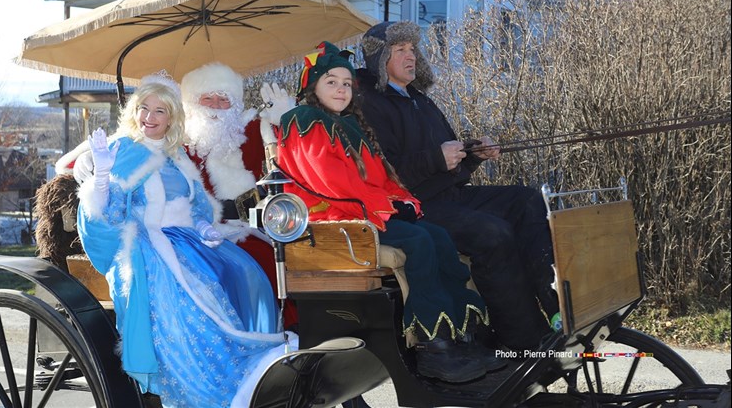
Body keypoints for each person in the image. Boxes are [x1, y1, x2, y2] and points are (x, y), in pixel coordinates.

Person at [275, 42, 505, 384]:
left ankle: (462, 333)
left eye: (346, 83)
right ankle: (432, 345)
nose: (341, 89)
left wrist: (403, 199)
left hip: (364, 214)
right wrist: (384, 207)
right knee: (418, 241)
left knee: (438, 237)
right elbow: (329, 181)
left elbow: (383, 177)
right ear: (312, 87)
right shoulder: (304, 120)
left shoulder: (350, 124)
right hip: (337, 220)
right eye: (331, 82)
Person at [76, 71, 292, 408]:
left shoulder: (177, 156)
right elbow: (109, 215)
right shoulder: (122, 149)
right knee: (187, 300)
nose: (149, 117)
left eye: (159, 110)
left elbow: (196, 206)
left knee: (245, 272)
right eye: (144, 108)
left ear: (172, 118)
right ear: (133, 111)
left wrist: (204, 227)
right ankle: (208, 386)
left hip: (186, 239)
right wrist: (102, 175)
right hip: (149, 244)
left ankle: (254, 365)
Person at [356, 20, 560, 351]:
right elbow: (384, 173)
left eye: (412, 49)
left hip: (450, 196)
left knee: (526, 200)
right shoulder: (368, 104)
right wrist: (437, 158)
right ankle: (523, 341)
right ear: (379, 58)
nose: (411, 56)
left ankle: (556, 308)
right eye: (399, 50)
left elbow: (448, 166)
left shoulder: (419, 99)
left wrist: (472, 154)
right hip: (414, 209)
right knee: (492, 233)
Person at [180, 62, 298, 329]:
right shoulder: (176, 140)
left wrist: (287, 120)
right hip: (193, 233)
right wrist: (89, 158)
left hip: (245, 229)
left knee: (263, 263)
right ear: (192, 103)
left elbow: (288, 150)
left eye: (224, 99)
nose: (215, 106)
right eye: (207, 98)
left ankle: (272, 332)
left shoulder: (251, 131)